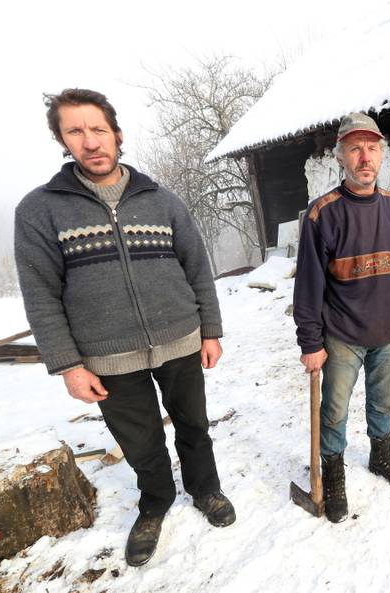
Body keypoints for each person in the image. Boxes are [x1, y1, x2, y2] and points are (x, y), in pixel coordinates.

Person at [14, 88, 235, 567]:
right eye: (75, 131)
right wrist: (68, 365)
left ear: (117, 134)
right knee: (141, 442)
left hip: (179, 340)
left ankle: (206, 489)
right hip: (106, 355)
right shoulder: (40, 210)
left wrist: (210, 330)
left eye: (98, 129)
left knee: (194, 427)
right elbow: (40, 295)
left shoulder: (162, 200)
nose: (90, 141)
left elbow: (197, 267)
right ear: (63, 140)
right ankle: (155, 502)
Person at [293, 112, 390, 523]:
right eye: (355, 148)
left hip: (388, 332)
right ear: (341, 157)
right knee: (333, 409)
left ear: (381, 154)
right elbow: (309, 288)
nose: (364, 157)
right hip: (341, 335)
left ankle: (380, 456)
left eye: (371, 148)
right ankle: (333, 474)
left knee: (383, 402)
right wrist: (310, 343)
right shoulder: (323, 215)